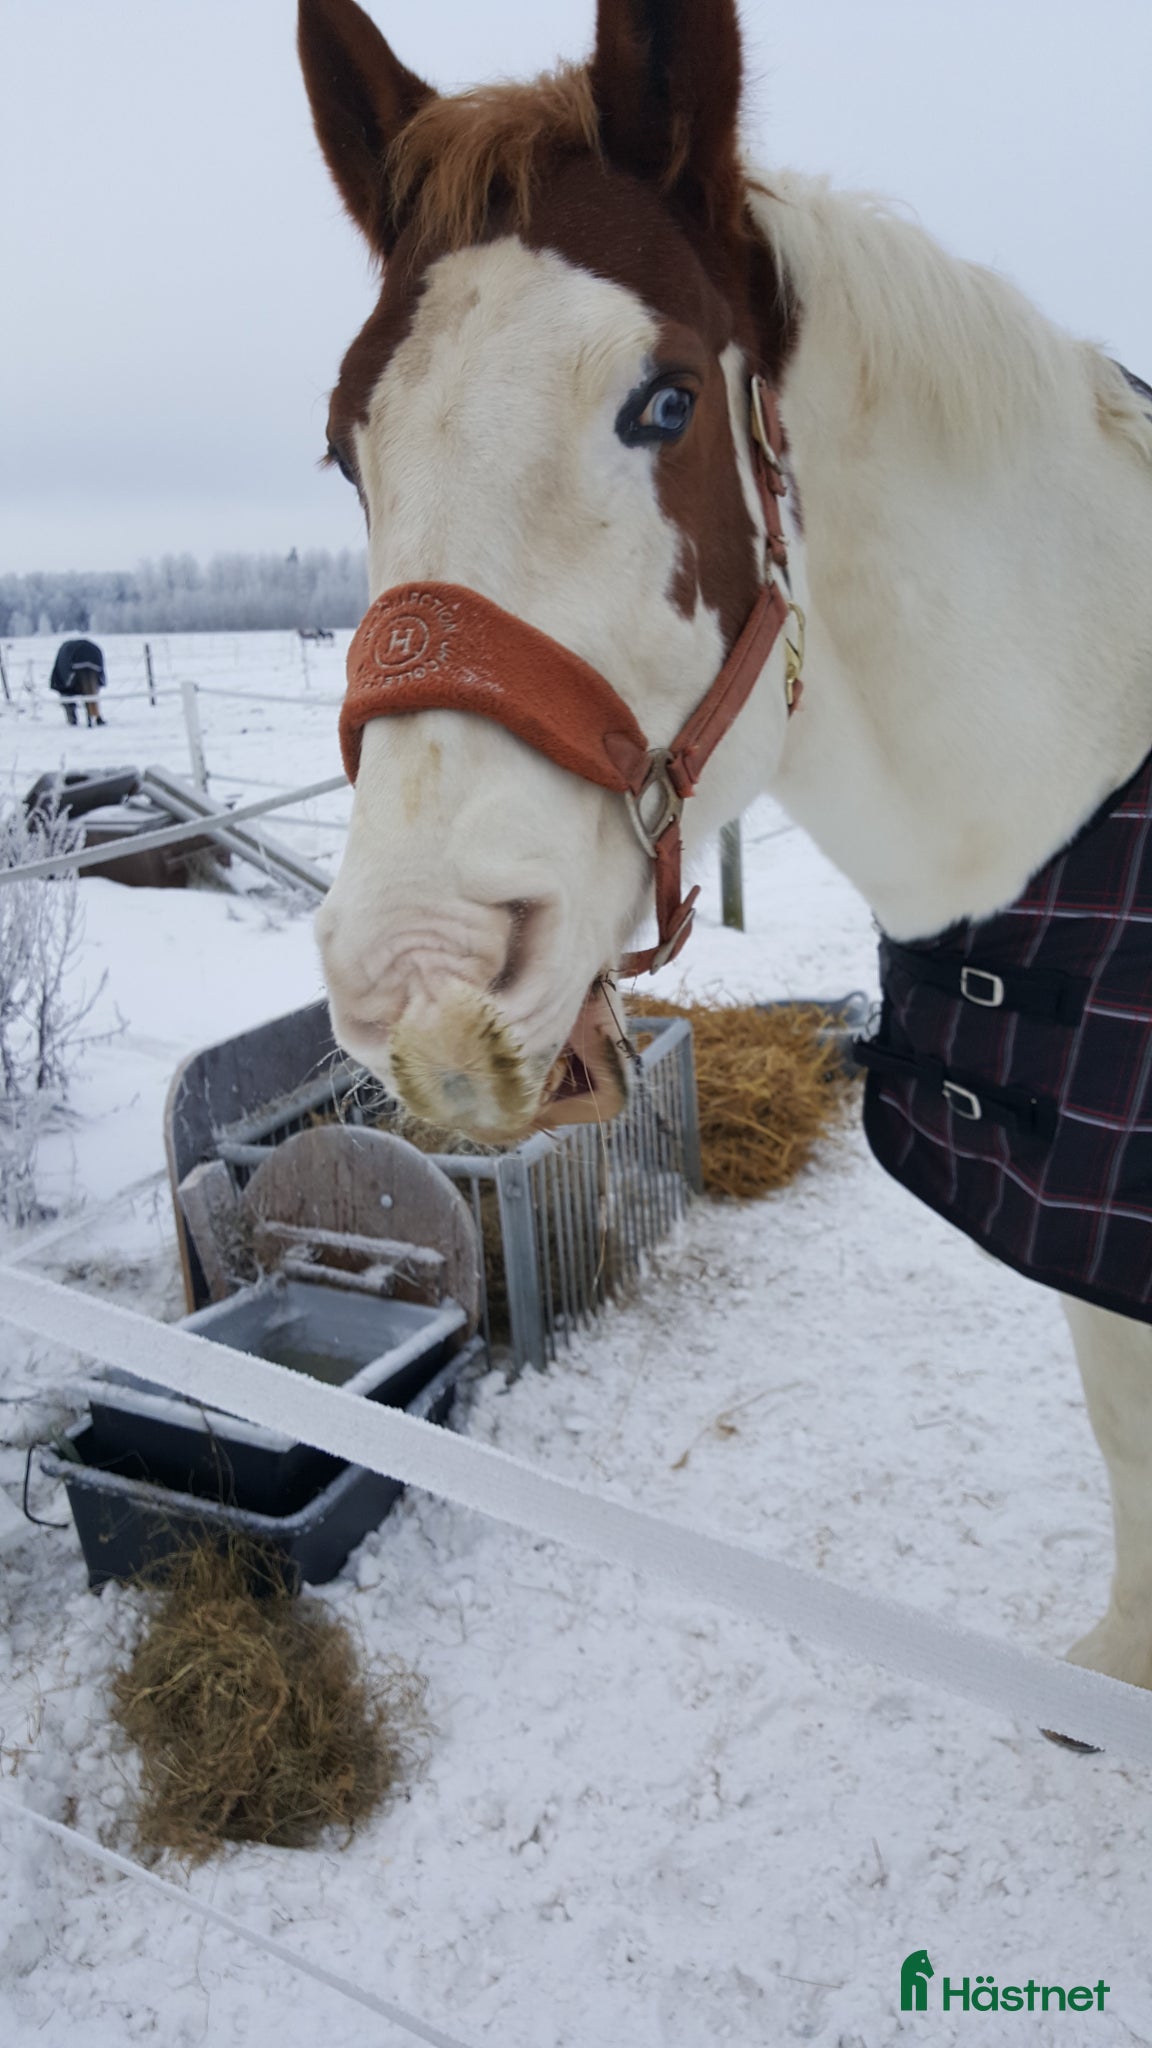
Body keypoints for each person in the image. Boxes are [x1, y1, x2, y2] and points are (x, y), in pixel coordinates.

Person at [50, 637, 107, 727]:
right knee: (90, 691)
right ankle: (94, 715)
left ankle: (72, 719)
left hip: (72, 668)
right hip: (92, 660)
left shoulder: (65, 652)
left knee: (67, 696)